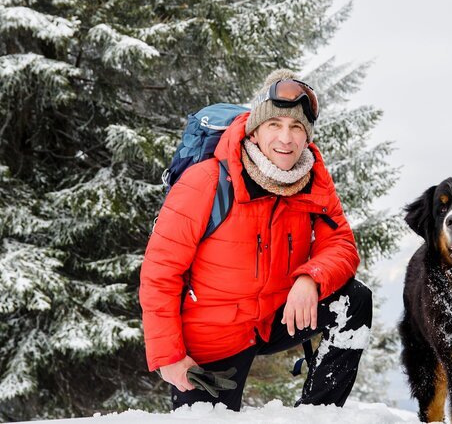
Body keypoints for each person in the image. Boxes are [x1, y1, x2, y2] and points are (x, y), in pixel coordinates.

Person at [139, 69, 372, 411]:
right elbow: (159, 272)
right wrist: (169, 356)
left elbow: (340, 243)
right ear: (256, 128)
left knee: (354, 300)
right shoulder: (206, 181)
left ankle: (316, 415)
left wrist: (311, 278)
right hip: (214, 340)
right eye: (275, 125)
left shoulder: (311, 179)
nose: (286, 139)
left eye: (296, 127)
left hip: (274, 317)